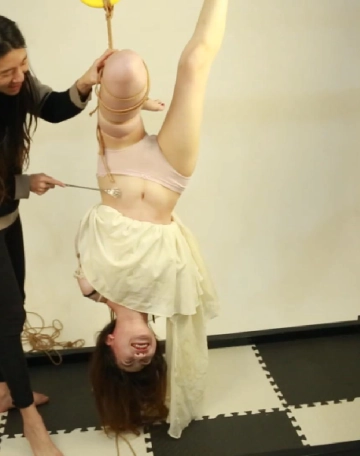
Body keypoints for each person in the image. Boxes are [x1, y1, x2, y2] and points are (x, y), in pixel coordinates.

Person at [0, 13, 114, 456]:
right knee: (12, 313)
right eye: (6, 72)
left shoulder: (16, 79)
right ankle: (31, 420)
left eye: (23, 64)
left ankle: (0, 393)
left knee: (10, 306)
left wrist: (86, 81)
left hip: (5, 209)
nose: (19, 77)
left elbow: (52, 107)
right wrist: (24, 184)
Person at [74, 0, 228, 440]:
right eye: (146, 360)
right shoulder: (172, 299)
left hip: (121, 158)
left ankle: (127, 89)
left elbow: (93, 228)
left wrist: (133, 102)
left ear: (110, 344)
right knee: (194, 65)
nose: (140, 355)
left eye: (128, 360)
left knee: (124, 67)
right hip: (170, 174)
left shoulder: (91, 285)